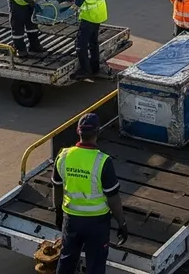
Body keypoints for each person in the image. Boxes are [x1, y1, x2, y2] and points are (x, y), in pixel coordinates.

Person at [52, 112, 128, 274]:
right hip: (97, 224)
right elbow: (113, 198)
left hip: (71, 219)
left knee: (66, 261)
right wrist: (121, 223)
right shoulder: (103, 161)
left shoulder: (63, 156)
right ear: (97, 133)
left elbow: (57, 187)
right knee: (95, 265)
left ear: (78, 132)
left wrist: (58, 211)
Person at [60, 0, 109, 80]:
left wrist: (61, 12)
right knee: (93, 43)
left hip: (89, 17)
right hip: (98, 15)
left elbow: (77, 3)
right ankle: (94, 67)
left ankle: (85, 70)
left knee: (80, 44)